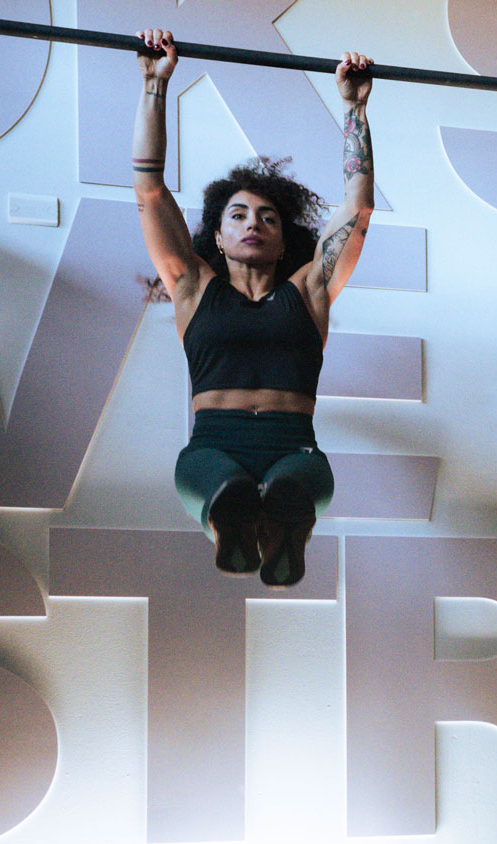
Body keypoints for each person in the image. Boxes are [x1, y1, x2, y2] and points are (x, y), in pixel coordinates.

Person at [132, 28, 375, 587]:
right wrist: (153, 85)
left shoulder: (310, 289)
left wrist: (355, 109)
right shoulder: (192, 286)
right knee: (227, 490)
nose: (253, 224)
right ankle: (237, 524)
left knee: (293, 487)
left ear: (283, 237)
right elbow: (149, 191)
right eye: (238, 215)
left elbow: (358, 212)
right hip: (213, 448)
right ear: (216, 235)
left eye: (267, 217)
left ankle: (281, 527)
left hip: (295, 447)